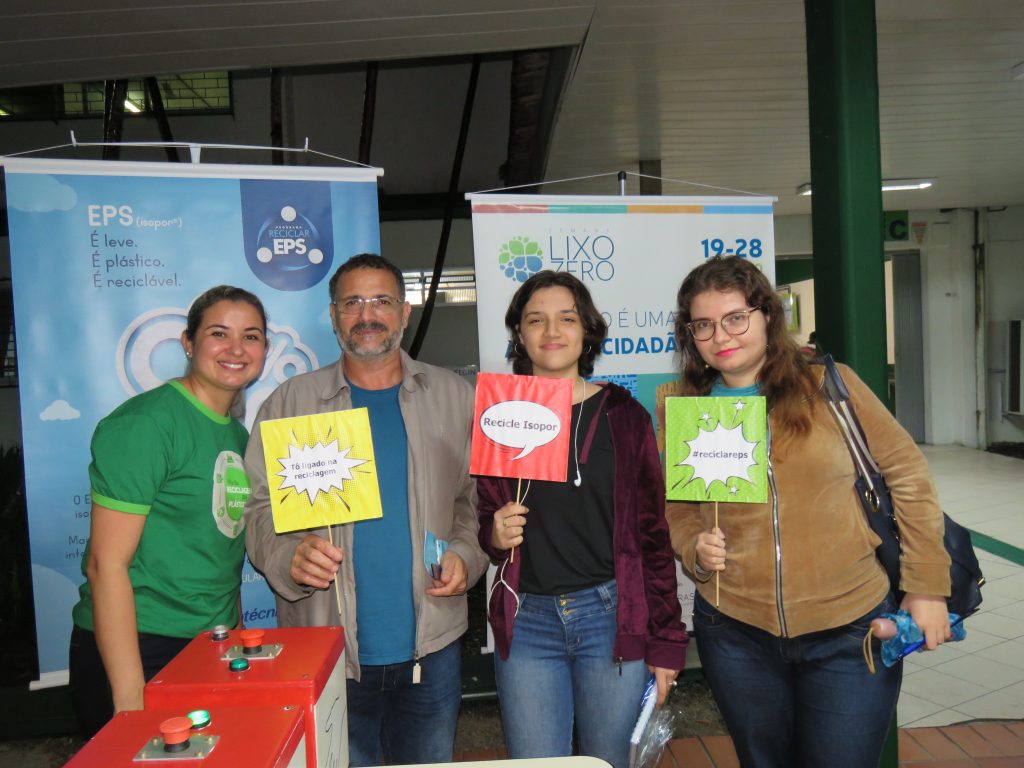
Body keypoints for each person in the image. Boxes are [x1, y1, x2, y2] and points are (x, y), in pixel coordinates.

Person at [666, 256, 951, 768]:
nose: (720, 335)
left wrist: (926, 585)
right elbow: (678, 508)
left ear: (767, 317)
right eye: (703, 325)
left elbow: (908, 475)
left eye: (735, 317)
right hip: (735, 631)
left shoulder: (828, 387)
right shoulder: (688, 405)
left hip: (848, 626)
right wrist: (692, 544)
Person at [244, 253, 487, 767]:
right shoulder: (292, 403)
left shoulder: (453, 396)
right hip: (326, 646)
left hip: (433, 645)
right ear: (333, 317)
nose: (367, 314)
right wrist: (287, 555)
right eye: (352, 302)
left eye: (382, 301)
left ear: (405, 314)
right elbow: (259, 508)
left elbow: (472, 501)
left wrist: (467, 553)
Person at [477, 271, 688, 768]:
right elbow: (487, 518)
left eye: (566, 318)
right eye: (536, 320)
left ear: (587, 331)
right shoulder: (500, 416)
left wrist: (666, 640)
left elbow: (653, 537)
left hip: (609, 619)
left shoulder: (624, 416)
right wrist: (494, 531)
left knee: (611, 762)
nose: (551, 331)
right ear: (519, 335)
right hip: (526, 621)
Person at [69, 285, 269, 738]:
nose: (236, 348)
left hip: (209, 647)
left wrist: (234, 640)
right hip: (139, 647)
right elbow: (106, 565)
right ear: (188, 342)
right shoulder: (147, 424)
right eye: (219, 333)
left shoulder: (238, 438)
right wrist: (129, 697)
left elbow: (222, 557)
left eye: (251, 336)